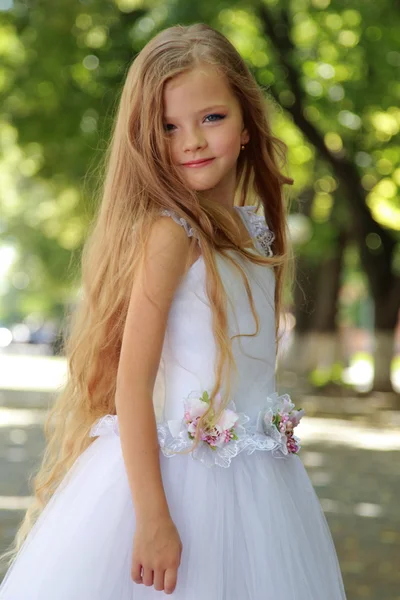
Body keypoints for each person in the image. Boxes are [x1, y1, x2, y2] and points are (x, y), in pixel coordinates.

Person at [0, 23, 347, 600]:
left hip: (263, 485)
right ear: (146, 138)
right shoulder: (171, 234)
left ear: (245, 125)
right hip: (180, 487)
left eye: (211, 117)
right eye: (168, 127)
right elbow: (132, 387)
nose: (191, 140)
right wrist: (154, 519)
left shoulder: (256, 230)